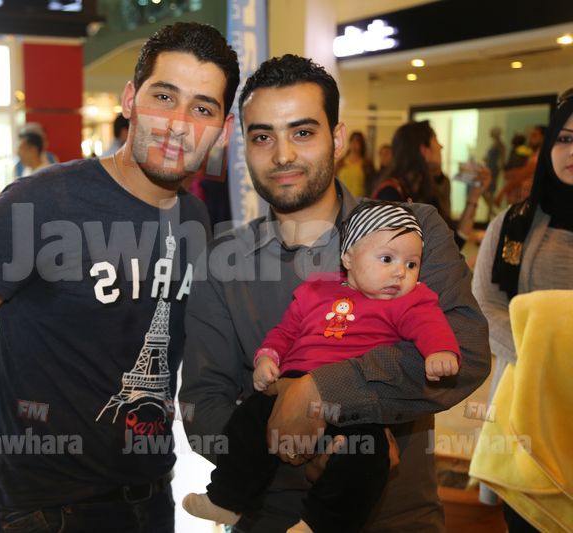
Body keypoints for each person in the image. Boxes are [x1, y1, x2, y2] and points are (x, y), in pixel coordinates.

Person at [0, 22, 238, 533]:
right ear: (130, 99)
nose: (179, 125)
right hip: (44, 510)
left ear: (222, 128)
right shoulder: (40, 202)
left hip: (152, 497)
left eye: (202, 109)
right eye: (164, 97)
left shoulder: (194, 220)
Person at [179, 54, 490, 533]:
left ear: (338, 138)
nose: (282, 155)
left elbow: (464, 352)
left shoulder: (411, 231)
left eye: (302, 132)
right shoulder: (223, 259)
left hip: (396, 519)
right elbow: (203, 405)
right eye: (262, 137)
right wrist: (309, 447)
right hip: (267, 517)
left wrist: (323, 389)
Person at [183, 201, 460, 531]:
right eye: (387, 259)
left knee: (368, 457)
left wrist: (440, 351)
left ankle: (319, 524)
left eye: (412, 264)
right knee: (248, 420)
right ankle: (228, 499)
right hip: (292, 384)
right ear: (349, 258)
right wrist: (268, 357)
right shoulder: (315, 291)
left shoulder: (409, 300)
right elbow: (286, 331)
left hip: (359, 400)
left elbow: (430, 324)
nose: (401, 272)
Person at [472, 88, 573, 532]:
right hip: (527, 400)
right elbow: (485, 303)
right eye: (565, 138)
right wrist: (542, 361)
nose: (572, 151)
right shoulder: (515, 223)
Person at [372, 120, 491, 249]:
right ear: (424, 150)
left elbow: (453, 243)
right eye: (435, 140)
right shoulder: (391, 193)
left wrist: (475, 195)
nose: (441, 146)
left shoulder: (424, 192)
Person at [495, 125, 546, 206]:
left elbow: (522, 175)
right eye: (530, 136)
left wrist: (502, 192)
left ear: (544, 138)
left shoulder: (542, 155)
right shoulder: (533, 154)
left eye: (535, 135)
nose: (530, 139)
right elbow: (523, 171)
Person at [335, 131, 374, 198]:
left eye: (357, 142)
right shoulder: (341, 163)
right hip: (342, 199)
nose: (354, 144)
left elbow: (371, 186)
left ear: (361, 145)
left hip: (359, 200)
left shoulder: (367, 164)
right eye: (352, 141)